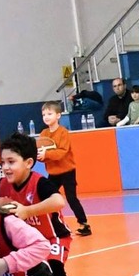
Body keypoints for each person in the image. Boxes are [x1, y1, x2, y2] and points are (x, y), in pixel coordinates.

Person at [0, 131, 88, 276]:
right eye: (3, 162)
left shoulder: (39, 182)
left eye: (11, 162)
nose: (5, 167)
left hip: (53, 237)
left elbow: (58, 201)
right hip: (26, 242)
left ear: (29, 162)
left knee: (53, 267)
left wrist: (27, 211)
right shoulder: (1, 186)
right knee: (15, 270)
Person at [36, 101, 93, 237]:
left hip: (68, 171)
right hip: (53, 173)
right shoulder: (44, 133)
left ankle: (84, 224)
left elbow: (62, 152)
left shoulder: (63, 133)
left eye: (49, 114)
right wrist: (40, 157)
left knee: (71, 198)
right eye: (44, 114)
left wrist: (46, 154)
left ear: (58, 115)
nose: (46, 117)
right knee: (50, 198)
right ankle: (55, 223)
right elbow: (42, 152)